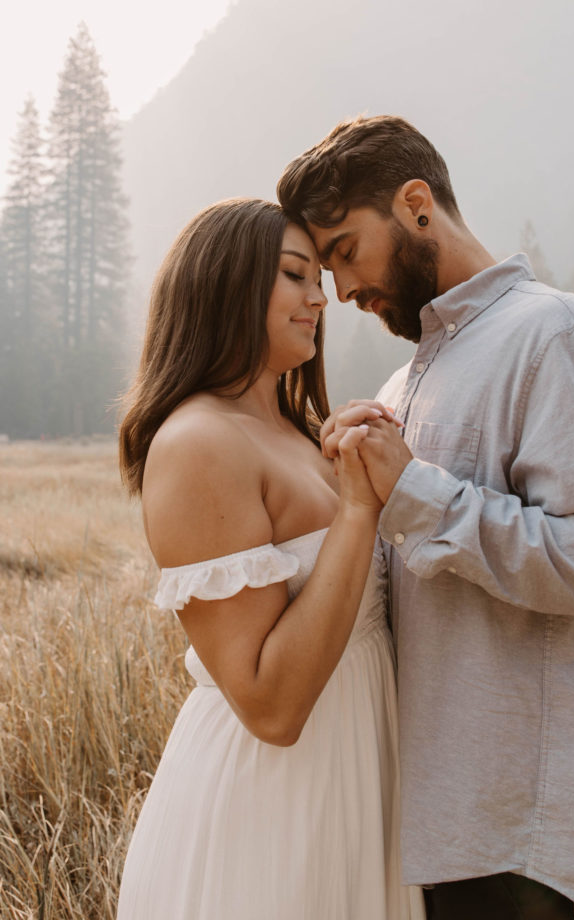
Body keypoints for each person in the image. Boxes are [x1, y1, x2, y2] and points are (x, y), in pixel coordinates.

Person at [277, 115, 574, 920]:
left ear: (416, 204)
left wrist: (418, 496)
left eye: (346, 250)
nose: (344, 292)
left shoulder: (559, 335)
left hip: (509, 842)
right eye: (323, 268)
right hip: (407, 827)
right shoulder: (398, 386)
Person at [116, 198, 425, 920]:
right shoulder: (198, 443)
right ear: (225, 285)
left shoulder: (292, 432)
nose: (320, 297)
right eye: (294, 275)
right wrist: (356, 509)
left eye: (317, 276)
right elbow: (270, 705)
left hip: (357, 781)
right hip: (275, 809)